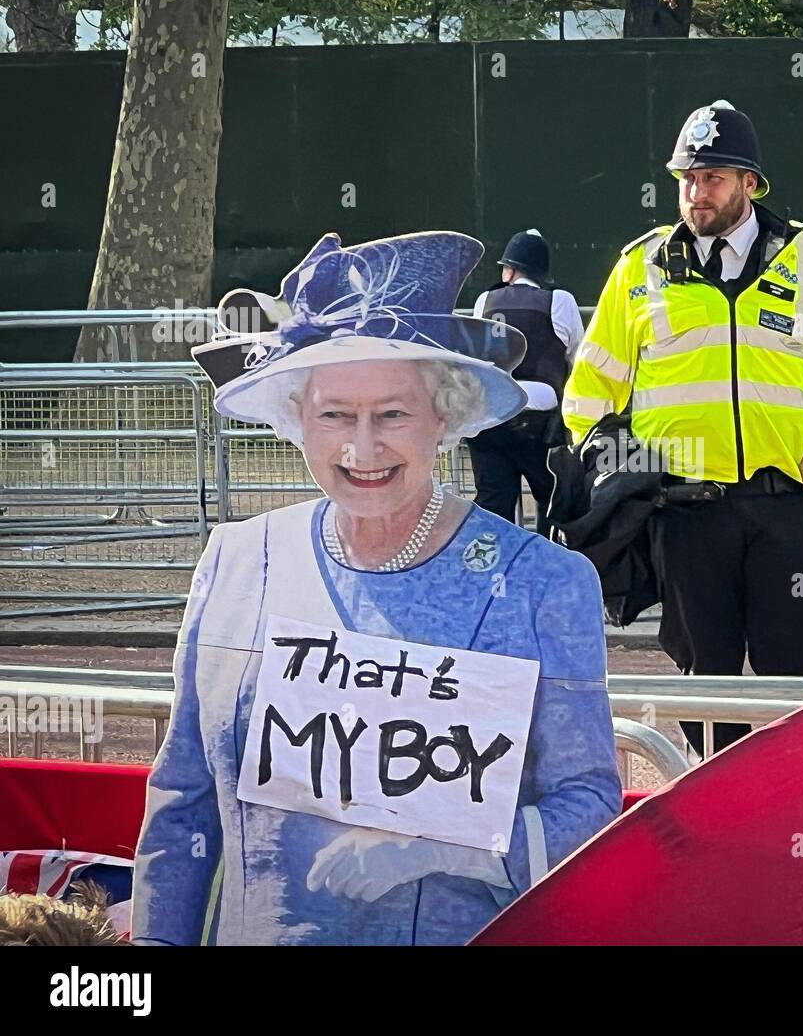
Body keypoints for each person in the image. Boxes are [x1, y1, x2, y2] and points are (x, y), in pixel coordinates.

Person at [134, 231, 621, 945]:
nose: (362, 449)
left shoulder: (542, 584)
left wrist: (443, 847)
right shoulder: (237, 563)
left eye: (393, 413)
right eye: (335, 414)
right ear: (297, 417)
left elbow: (589, 807)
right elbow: (182, 807)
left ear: (446, 416)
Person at [563, 102, 803, 756]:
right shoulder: (640, 268)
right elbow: (587, 396)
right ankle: (722, 802)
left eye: (711, 177)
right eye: (687, 177)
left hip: (788, 508)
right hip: (685, 515)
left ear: (749, 184)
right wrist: (620, 467)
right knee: (703, 677)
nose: (695, 192)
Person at [469, 229, 584, 538]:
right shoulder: (560, 301)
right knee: (553, 501)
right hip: (541, 423)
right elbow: (578, 359)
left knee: (493, 506)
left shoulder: (485, 301)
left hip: (490, 417)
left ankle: (493, 572)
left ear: (511, 270)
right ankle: (549, 566)